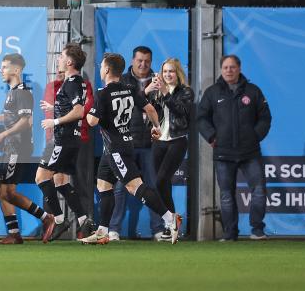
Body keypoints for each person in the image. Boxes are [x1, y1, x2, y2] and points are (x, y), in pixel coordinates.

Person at [80, 53, 181, 245]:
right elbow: (150, 109)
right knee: (103, 185)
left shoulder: (103, 93)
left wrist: (89, 106)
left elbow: (92, 121)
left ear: (107, 69)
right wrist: (156, 128)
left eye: (101, 66)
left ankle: (170, 218)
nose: (100, 69)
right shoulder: (130, 89)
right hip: (119, 146)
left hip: (116, 149)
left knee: (135, 187)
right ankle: (102, 232)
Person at [0, 53, 53, 244]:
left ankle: (46, 218)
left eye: (4, 67)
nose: (1, 70)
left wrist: (2, 135)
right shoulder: (12, 92)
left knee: (8, 191)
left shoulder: (23, 92)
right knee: (0, 189)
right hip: (9, 147)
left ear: (16, 69)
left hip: (18, 148)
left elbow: (25, 121)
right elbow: (11, 117)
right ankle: (14, 234)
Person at [197, 55, 272, 241]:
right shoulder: (212, 92)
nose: (229, 70)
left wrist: (255, 136)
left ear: (239, 68)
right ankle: (230, 233)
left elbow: (265, 118)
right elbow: (201, 118)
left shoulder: (253, 91)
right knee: (226, 195)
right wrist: (211, 136)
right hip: (223, 153)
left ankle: (257, 230)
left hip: (250, 152)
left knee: (259, 191)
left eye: (232, 67)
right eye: (225, 67)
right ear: (221, 70)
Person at [34, 43, 92, 242]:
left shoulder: (72, 82)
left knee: (41, 177)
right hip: (71, 139)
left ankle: (58, 219)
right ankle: (84, 220)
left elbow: (79, 111)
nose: (58, 59)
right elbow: (72, 106)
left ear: (69, 62)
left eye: (61, 56)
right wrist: (54, 107)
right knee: (60, 181)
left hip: (62, 139)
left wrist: (55, 121)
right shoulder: (75, 82)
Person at [109, 46, 159, 240]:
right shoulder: (122, 81)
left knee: (152, 186)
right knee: (120, 188)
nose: (143, 64)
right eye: (139, 60)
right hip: (126, 143)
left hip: (150, 144)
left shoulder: (159, 80)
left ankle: (158, 229)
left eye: (147, 61)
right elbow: (123, 107)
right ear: (132, 61)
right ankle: (114, 229)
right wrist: (145, 92)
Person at [146, 58, 194, 242]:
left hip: (177, 141)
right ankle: (171, 224)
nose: (167, 74)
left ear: (178, 73)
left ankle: (172, 220)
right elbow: (148, 111)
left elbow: (181, 112)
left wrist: (166, 93)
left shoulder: (186, 92)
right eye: (165, 71)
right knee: (161, 185)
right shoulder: (157, 91)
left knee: (161, 181)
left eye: (171, 71)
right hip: (159, 141)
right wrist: (147, 92)